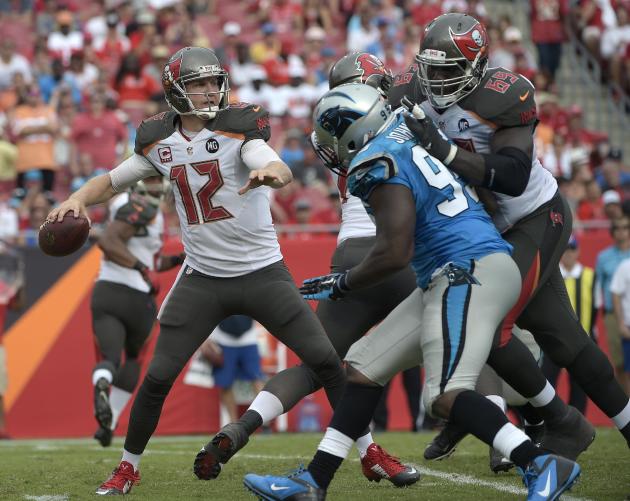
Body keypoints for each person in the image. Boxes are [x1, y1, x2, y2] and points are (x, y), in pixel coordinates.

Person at [243, 83, 580, 501]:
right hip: (456, 267)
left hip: (466, 269)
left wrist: (344, 282)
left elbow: (394, 252)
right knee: (362, 368)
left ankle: (540, 462)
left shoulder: (373, 162)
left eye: (331, 134)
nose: (328, 146)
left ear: (353, 131)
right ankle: (314, 481)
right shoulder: (404, 132)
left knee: (443, 395)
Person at [46, 46, 346, 496]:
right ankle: (128, 467)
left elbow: (273, 163)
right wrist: (78, 200)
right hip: (202, 276)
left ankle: (369, 448)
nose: (209, 92)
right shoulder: (157, 139)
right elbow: (111, 181)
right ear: (175, 91)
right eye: (198, 84)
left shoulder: (240, 126)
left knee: (325, 360)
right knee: (158, 376)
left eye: (213, 82)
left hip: (261, 272)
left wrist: (271, 174)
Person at [397, 12, 630, 453]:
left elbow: (512, 175)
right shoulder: (412, 93)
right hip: (489, 233)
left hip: (536, 217)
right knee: (565, 340)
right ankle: (573, 423)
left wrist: (440, 148)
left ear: (476, 67)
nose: (437, 79)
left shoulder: (505, 95)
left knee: (487, 323)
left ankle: (554, 418)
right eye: (432, 68)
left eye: (449, 69)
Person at [194, 52, 419, 488]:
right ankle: (522, 442)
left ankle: (242, 427)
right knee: (477, 335)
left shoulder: (333, 126)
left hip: (350, 254)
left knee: (317, 366)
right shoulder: (398, 119)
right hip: (401, 251)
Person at [90, 175, 184, 447]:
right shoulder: (140, 206)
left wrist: (176, 259)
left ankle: (105, 401)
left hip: (107, 290)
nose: (156, 187)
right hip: (137, 297)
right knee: (133, 359)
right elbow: (109, 242)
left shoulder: (142, 210)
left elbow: (152, 259)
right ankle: (111, 417)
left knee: (109, 358)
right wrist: (141, 270)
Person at [542, 236, 595, 414]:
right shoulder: (550, 276)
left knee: (580, 386)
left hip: (581, 340)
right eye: (565, 249)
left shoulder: (590, 276)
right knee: (547, 382)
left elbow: (596, 308)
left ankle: (579, 423)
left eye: (572, 248)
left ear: (578, 251)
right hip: (553, 339)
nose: (568, 253)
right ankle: (552, 420)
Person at [201, 315, 265, 423]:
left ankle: (263, 420)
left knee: (257, 379)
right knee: (225, 383)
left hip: (249, 338)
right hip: (222, 340)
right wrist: (206, 338)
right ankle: (233, 423)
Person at [596, 215, 630, 393]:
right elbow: (598, 287)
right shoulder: (604, 257)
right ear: (612, 232)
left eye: (625, 227)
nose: (621, 232)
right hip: (612, 315)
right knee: (619, 363)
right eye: (617, 228)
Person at [610, 254, 630, 395]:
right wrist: (621, 324)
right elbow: (615, 293)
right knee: (627, 372)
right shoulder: (625, 266)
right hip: (629, 328)